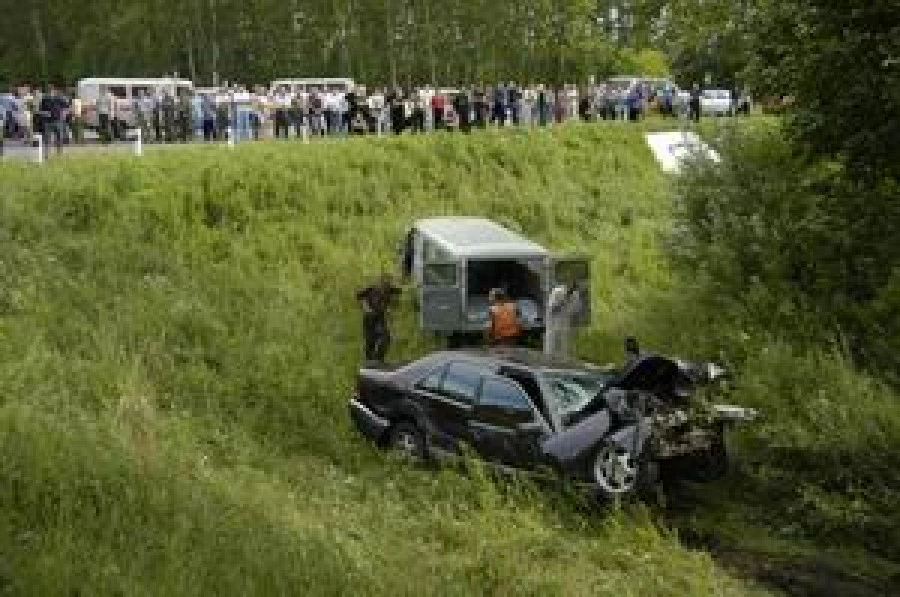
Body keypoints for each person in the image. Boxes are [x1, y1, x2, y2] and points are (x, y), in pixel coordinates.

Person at [356, 275, 402, 362]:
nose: (387, 285)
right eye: (385, 283)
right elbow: (358, 296)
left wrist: (391, 307)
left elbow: (400, 291)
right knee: (370, 340)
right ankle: (369, 361)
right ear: (381, 283)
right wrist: (365, 307)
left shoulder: (391, 290)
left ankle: (379, 358)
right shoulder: (372, 289)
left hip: (380, 317)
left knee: (386, 337)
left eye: (388, 283)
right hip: (370, 317)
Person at [544, 283, 582, 358]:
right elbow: (552, 309)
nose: (572, 291)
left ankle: (564, 358)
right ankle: (549, 357)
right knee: (552, 339)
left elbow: (576, 310)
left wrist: (572, 315)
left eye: (574, 289)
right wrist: (562, 303)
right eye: (571, 288)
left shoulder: (575, 295)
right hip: (553, 321)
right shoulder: (557, 291)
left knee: (564, 341)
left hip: (565, 321)